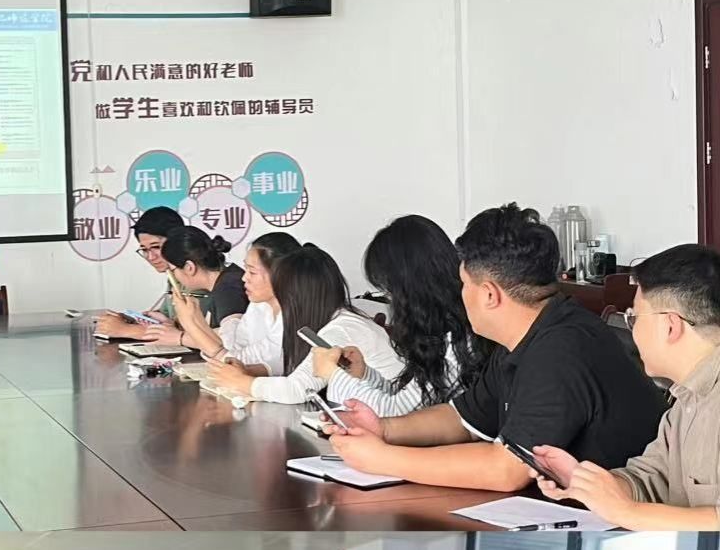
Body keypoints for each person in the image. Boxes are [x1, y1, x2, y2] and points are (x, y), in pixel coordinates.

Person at [324, 204, 666, 492]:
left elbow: (507, 470)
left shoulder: (561, 348)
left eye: (464, 284)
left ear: (490, 294)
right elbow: (461, 418)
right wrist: (384, 429)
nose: (460, 294)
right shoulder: (523, 335)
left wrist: (382, 459)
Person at [531, 244, 720, 531]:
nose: (632, 329)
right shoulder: (685, 401)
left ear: (671, 326)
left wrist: (627, 512)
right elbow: (650, 478)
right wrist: (584, 482)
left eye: (633, 317)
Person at [308, 216, 494, 416]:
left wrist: (334, 375)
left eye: (390, 291)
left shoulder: (461, 338)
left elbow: (397, 413)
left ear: (409, 289)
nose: (391, 302)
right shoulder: (443, 331)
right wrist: (365, 375)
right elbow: (410, 400)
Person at [209, 242, 404, 404]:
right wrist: (249, 372)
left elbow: (298, 389)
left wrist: (243, 382)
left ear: (296, 296)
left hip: (396, 417)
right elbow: (294, 367)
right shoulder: (325, 321)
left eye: (280, 294)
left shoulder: (341, 328)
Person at [167, 232, 301, 373]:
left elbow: (236, 364)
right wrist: (196, 323)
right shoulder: (258, 306)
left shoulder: (294, 314)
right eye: (246, 269)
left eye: (252, 272)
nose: (244, 278)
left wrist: (192, 324)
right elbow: (232, 349)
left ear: (280, 274)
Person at [95, 206, 184, 340]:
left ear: (178, 241)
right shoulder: (172, 276)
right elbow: (169, 320)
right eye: (144, 250)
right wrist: (132, 320)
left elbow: (199, 335)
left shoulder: (193, 276)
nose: (151, 257)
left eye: (156, 247)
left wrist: (127, 330)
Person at [162, 226, 248, 330]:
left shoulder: (229, 289)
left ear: (189, 267)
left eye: (172, 270)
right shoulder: (228, 279)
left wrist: (179, 336)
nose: (174, 276)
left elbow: (230, 337)